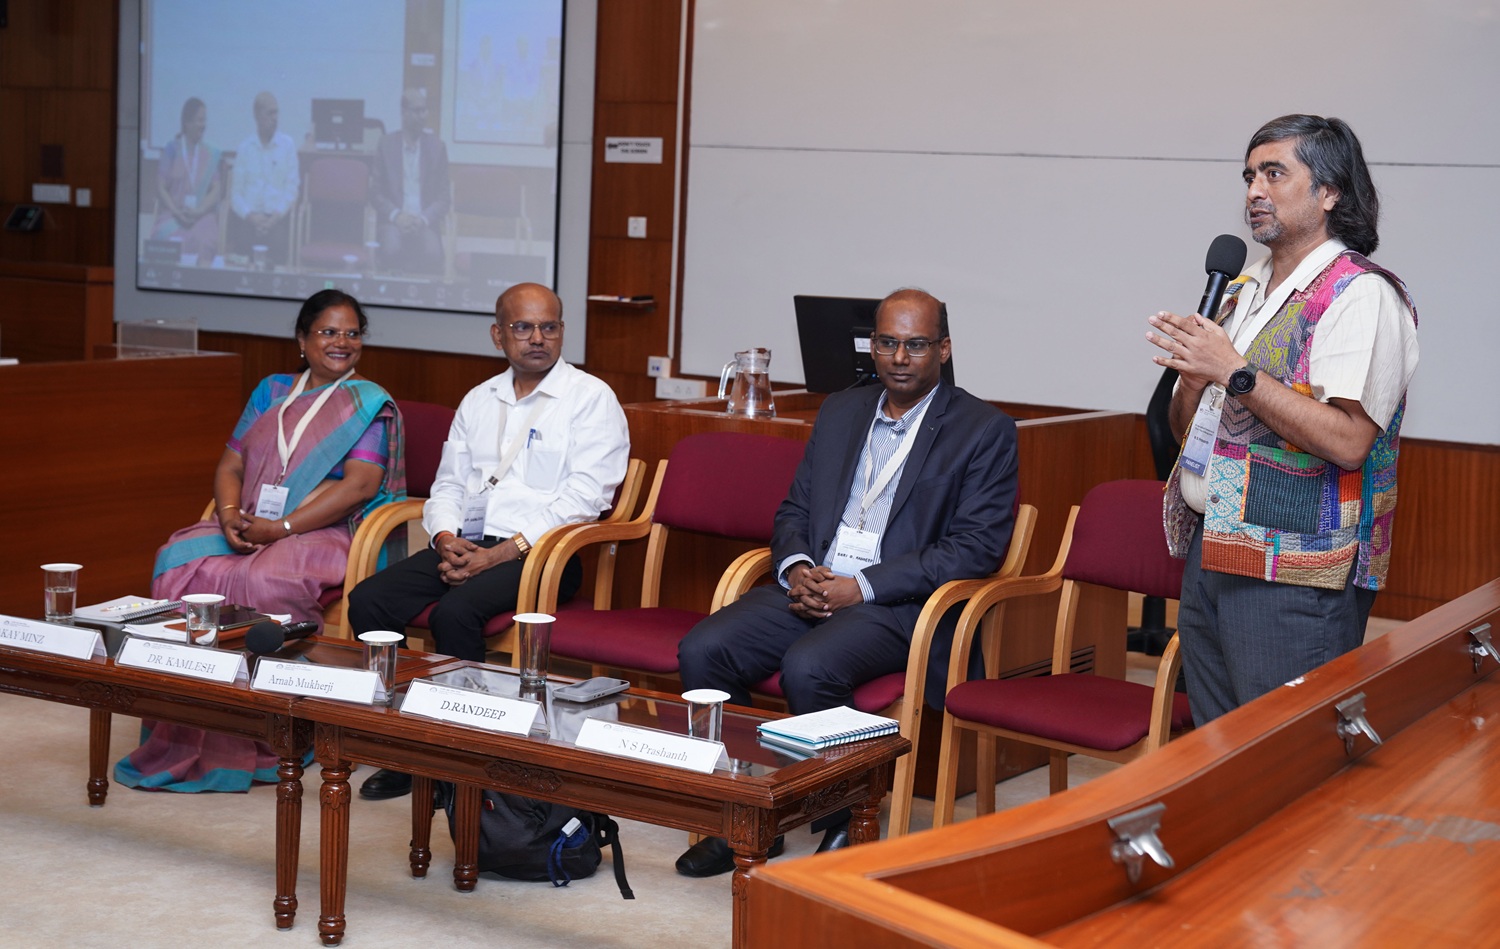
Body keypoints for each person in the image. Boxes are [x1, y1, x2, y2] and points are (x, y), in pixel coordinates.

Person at [674, 287, 1019, 876]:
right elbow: (795, 510)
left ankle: (845, 822)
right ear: (873, 347)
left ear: (943, 349)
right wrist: (797, 568)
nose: (900, 358)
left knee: (812, 666)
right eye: (887, 343)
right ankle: (744, 811)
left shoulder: (982, 430)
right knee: (703, 648)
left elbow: (976, 548)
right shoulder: (841, 411)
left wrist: (863, 586)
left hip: (901, 603)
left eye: (915, 345)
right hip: (815, 582)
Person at [1146, 114, 1420, 726]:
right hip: (1210, 548)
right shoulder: (1245, 289)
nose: (1253, 191)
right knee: (1219, 746)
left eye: (1274, 173)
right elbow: (1191, 429)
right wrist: (1194, 380)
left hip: (1295, 571)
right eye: (1249, 176)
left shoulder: (1359, 294)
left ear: (1329, 192)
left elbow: (1349, 441)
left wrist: (1235, 373)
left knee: (1288, 755)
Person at [347, 282, 630, 800]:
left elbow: (584, 500)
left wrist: (498, 554)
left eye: (550, 327)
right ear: (498, 335)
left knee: (456, 613)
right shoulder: (480, 399)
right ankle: (407, 744)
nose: (538, 338)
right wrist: (446, 538)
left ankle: (464, 756)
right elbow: (449, 485)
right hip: (468, 546)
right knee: (369, 601)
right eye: (523, 328)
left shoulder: (590, 399)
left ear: (563, 331)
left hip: (544, 555)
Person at [115, 290, 406, 792]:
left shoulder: (368, 402)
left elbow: (358, 485)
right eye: (328, 332)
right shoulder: (272, 391)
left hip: (330, 530)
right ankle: (189, 727)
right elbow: (231, 463)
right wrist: (229, 515)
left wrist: (282, 528)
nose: (342, 342)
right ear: (302, 339)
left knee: (264, 578)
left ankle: (275, 734)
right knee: (177, 561)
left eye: (352, 333)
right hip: (252, 521)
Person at [371, 87, 451, 274]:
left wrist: (423, 219)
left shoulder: (437, 147)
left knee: (434, 254)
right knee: (391, 249)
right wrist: (397, 216)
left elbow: (444, 198)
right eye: (417, 110)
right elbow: (375, 193)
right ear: (403, 113)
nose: (422, 115)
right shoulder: (386, 145)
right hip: (393, 221)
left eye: (425, 110)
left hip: (424, 221)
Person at [228, 91, 300, 265]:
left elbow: (292, 188)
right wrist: (251, 217)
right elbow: (235, 194)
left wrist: (274, 218)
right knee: (242, 242)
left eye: (276, 113)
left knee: (279, 243)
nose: (275, 118)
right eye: (270, 113)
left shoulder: (287, 145)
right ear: (257, 115)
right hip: (250, 219)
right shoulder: (245, 148)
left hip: (276, 219)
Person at [149, 97, 223, 261]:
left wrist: (200, 211)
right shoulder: (171, 149)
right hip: (173, 214)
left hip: (201, 215)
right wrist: (176, 211)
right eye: (200, 120)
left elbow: (217, 188)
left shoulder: (210, 153)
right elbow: (160, 187)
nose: (204, 125)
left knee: (206, 241)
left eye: (205, 120)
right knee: (167, 239)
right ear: (187, 123)